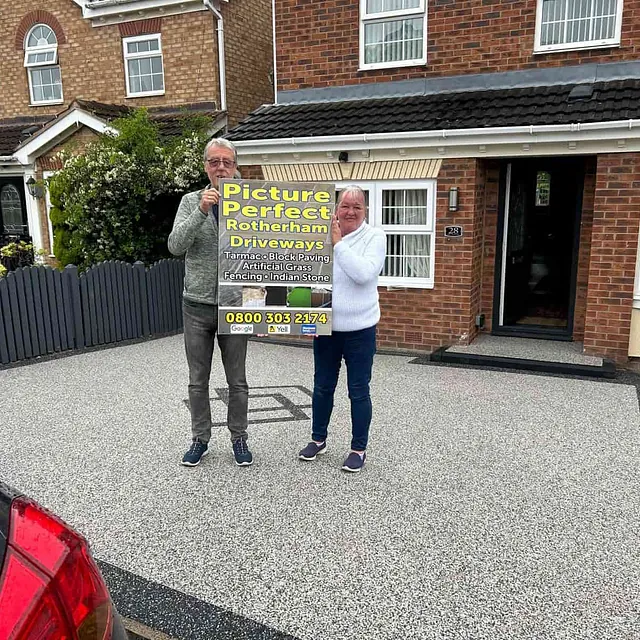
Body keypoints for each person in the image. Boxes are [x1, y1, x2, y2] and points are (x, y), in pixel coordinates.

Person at [168, 138, 252, 468]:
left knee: (238, 381)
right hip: (197, 305)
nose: (221, 168)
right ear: (206, 166)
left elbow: (271, 250)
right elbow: (176, 245)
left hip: (236, 304)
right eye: (214, 162)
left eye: (226, 162)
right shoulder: (192, 201)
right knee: (197, 380)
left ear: (236, 167)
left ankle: (239, 437)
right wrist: (202, 211)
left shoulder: (253, 202)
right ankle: (200, 438)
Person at [298, 186, 386, 472]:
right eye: (345, 205)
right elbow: (310, 278)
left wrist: (338, 244)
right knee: (322, 387)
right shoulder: (319, 234)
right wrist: (307, 318)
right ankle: (318, 439)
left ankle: (358, 448)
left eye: (356, 207)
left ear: (365, 210)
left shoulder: (375, 237)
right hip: (327, 327)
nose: (350, 211)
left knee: (358, 390)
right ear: (336, 208)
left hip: (361, 329)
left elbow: (363, 274)